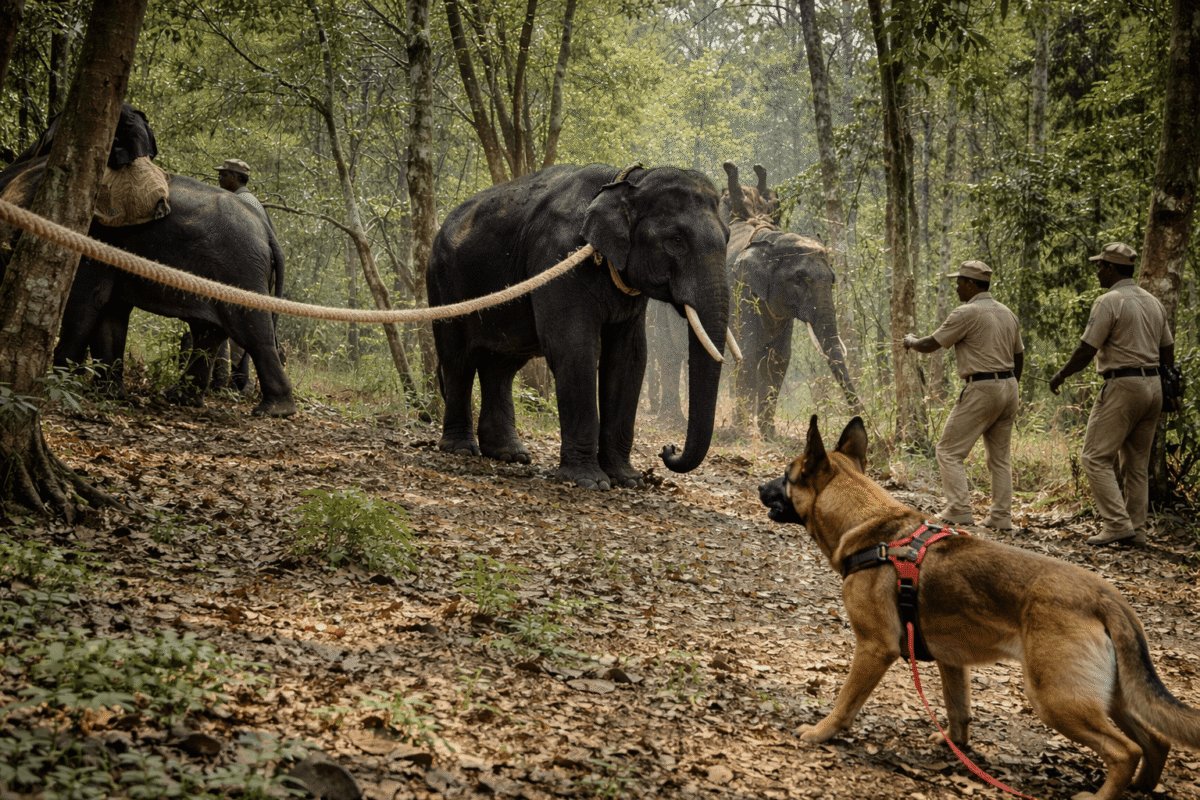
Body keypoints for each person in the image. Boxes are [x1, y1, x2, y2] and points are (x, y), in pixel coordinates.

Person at [1049, 242, 1174, 546]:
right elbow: (1167, 349)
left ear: (1112, 268)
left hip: (1123, 386)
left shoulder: (1109, 301)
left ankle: (1117, 524)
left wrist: (1061, 375)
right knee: (1136, 464)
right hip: (1153, 386)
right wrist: (1166, 385)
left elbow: (1087, 349)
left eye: (1100, 265)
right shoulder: (1152, 302)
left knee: (1094, 457)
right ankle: (1138, 530)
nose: (1097, 271)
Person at [903, 260, 1024, 531]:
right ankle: (1002, 516)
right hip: (1009, 386)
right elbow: (1019, 356)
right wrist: (1011, 386)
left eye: (959, 282)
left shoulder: (966, 313)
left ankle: (959, 508)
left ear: (971, 284)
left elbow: (932, 344)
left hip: (982, 387)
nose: (957, 287)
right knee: (1000, 458)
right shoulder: (1007, 313)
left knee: (948, 450)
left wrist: (910, 341)